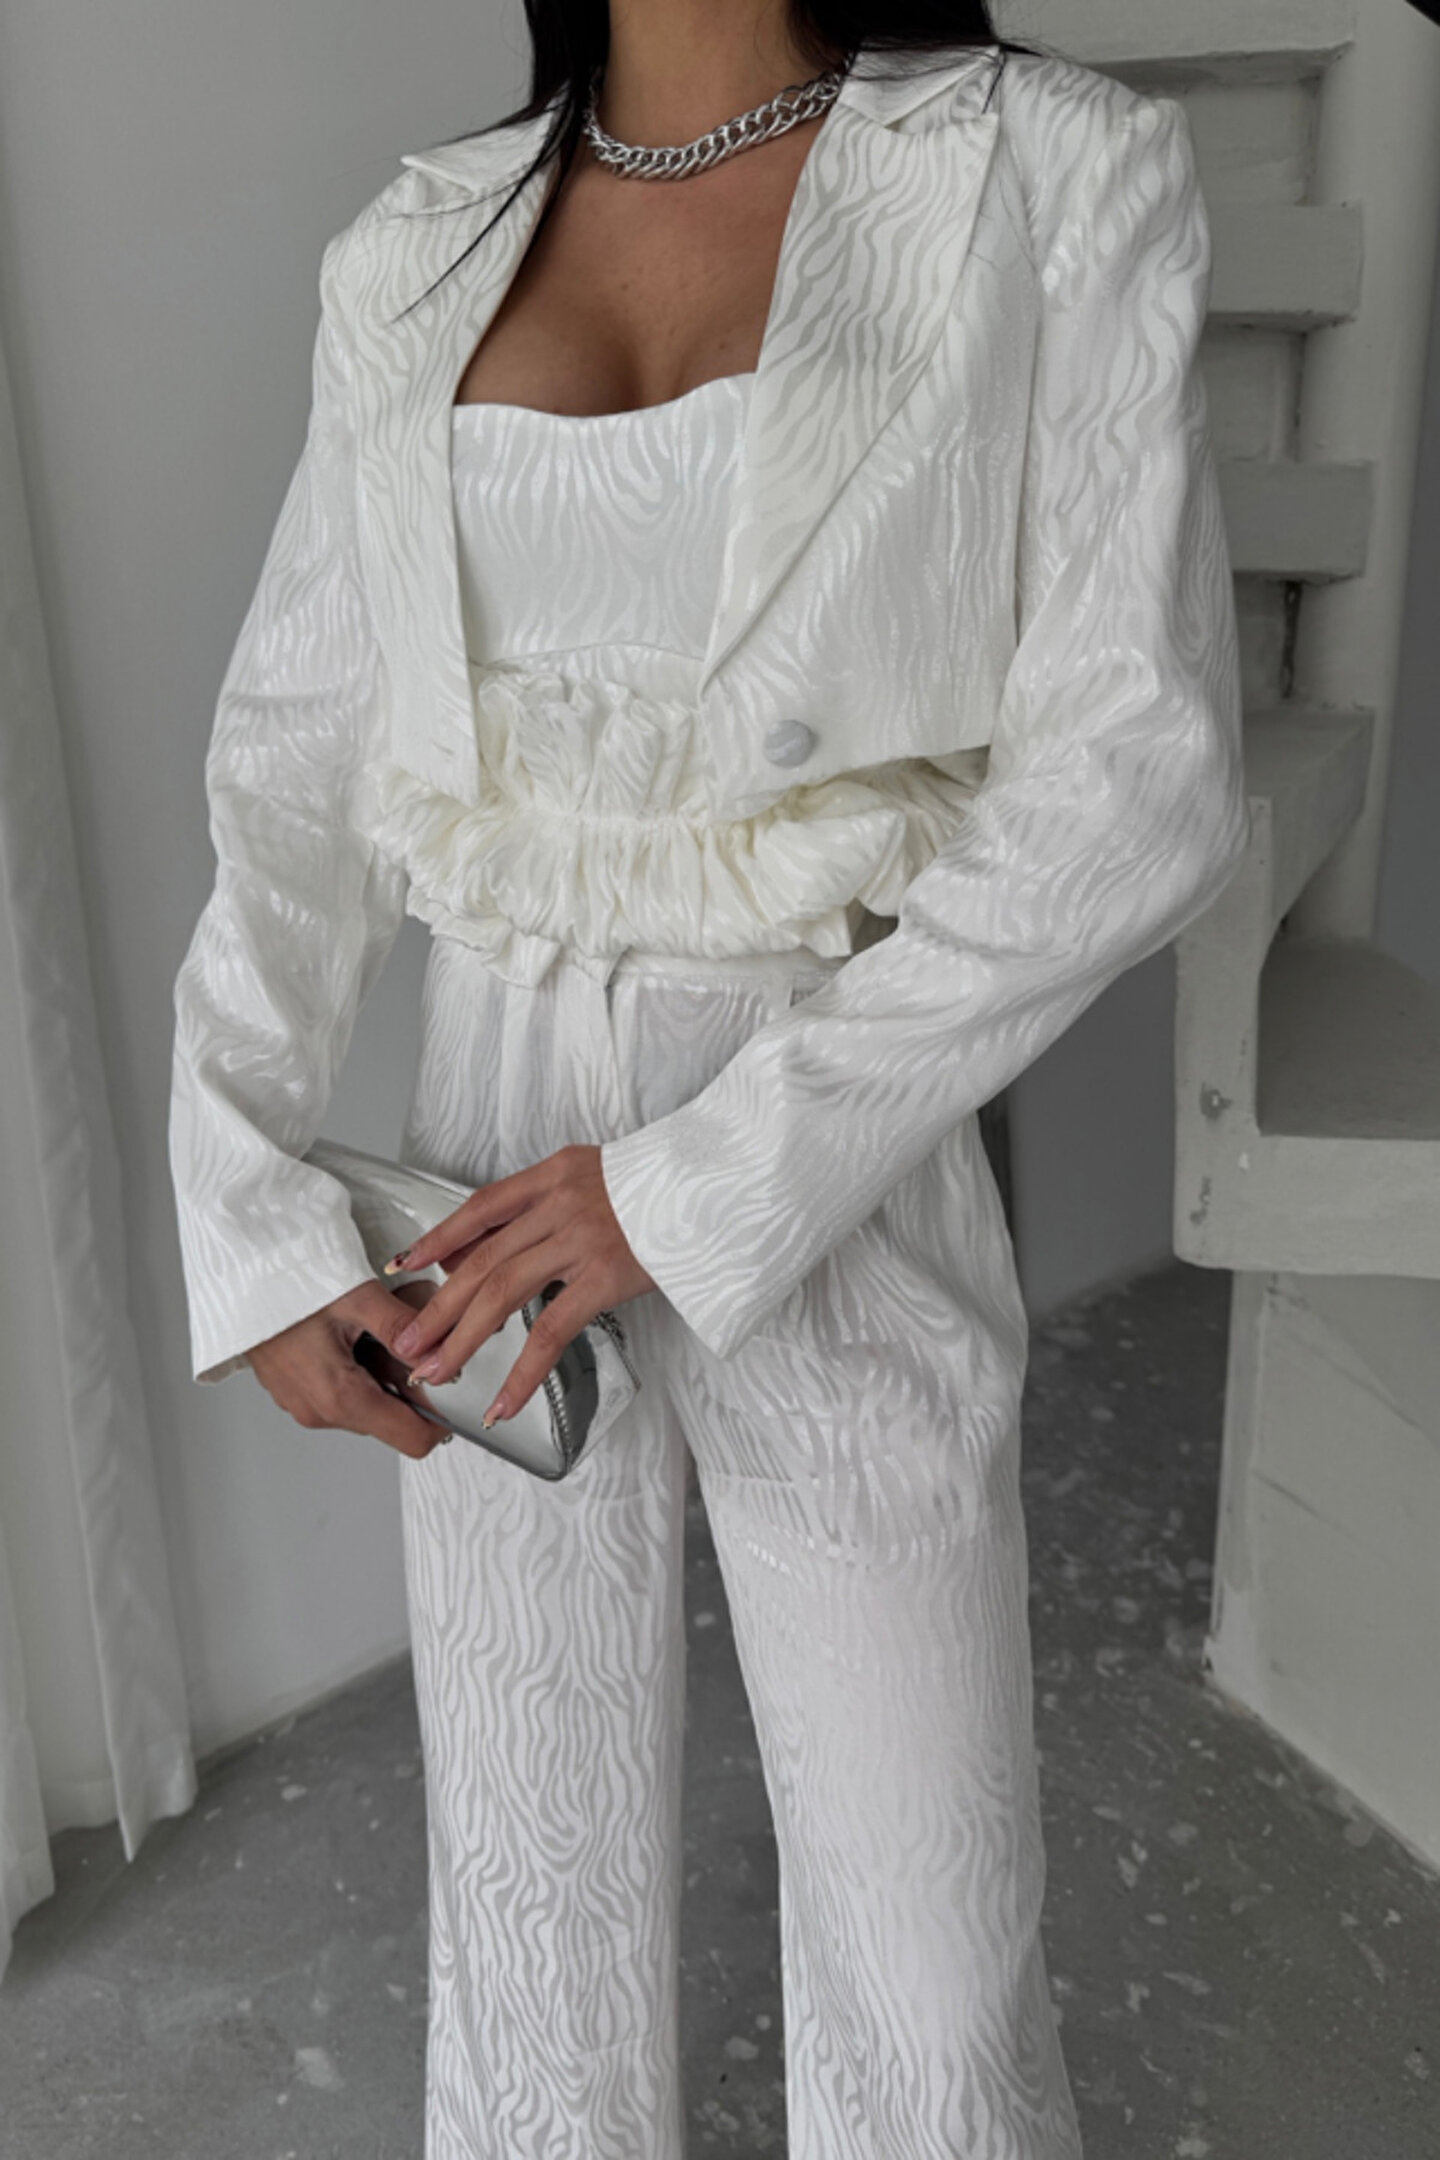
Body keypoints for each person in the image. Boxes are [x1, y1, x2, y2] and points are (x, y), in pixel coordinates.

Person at [168, 3, 1249, 2154]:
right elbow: (292, 773)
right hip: (478, 1166)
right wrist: (250, 1216)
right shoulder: (416, 243)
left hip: (823, 1136)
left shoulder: (1051, 168)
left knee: (929, 1965)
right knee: (528, 1909)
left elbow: (1139, 772)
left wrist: (698, 1184)